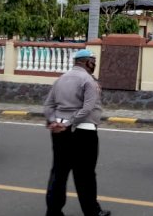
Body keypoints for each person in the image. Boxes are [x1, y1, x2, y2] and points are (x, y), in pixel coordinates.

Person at [43, 49, 110, 216]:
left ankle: (53, 211)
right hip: (83, 132)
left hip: (59, 131)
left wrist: (55, 122)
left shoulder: (61, 79)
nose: (95, 64)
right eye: (93, 61)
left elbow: (48, 105)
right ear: (87, 62)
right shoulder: (88, 80)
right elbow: (87, 108)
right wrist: (70, 123)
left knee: (59, 172)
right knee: (85, 174)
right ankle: (92, 212)